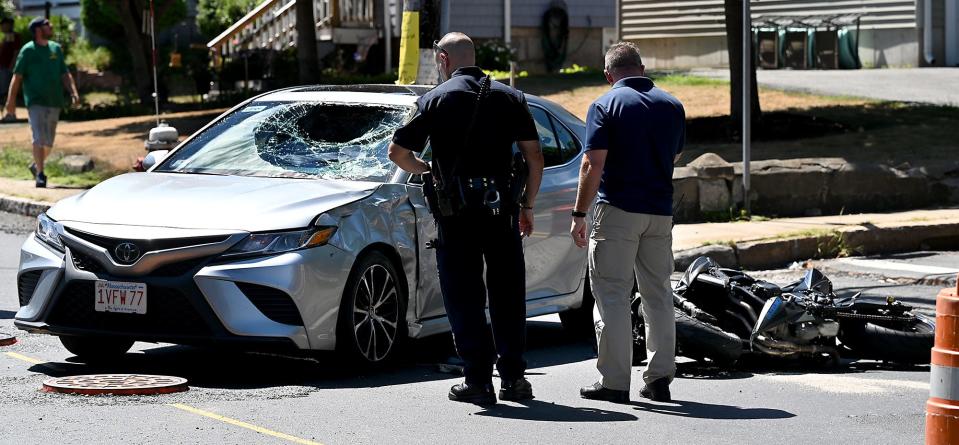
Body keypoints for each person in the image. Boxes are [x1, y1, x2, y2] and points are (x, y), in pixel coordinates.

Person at [388, 32, 544, 405]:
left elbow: (398, 152)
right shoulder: (510, 96)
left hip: (455, 215)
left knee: (464, 296)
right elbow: (534, 156)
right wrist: (527, 205)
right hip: (501, 212)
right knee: (508, 294)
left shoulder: (434, 100)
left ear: (443, 59)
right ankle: (514, 379)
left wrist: (427, 169)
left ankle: (477, 380)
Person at [570, 42, 685, 403]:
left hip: (617, 210)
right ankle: (660, 378)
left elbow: (592, 163)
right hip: (660, 212)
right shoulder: (672, 105)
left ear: (609, 74)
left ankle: (615, 382)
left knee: (612, 296)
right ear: (643, 67)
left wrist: (578, 213)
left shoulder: (604, 105)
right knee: (658, 295)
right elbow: (675, 154)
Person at [4, 17, 79, 188]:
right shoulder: (28, 50)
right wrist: (11, 101)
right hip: (35, 101)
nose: (51, 26)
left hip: (54, 101)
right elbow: (17, 76)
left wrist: (73, 92)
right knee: (38, 137)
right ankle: (40, 174)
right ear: (38, 30)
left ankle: (36, 164)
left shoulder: (55, 49)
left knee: (49, 142)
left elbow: (64, 74)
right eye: (47, 24)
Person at [0, 17, 21, 109]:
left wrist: (11, 66)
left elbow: (16, 52)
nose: (1, 27)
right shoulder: (6, 36)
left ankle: (10, 112)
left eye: (3, 25)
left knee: (6, 90)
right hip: (3, 67)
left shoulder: (13, 36)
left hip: (7, 67)